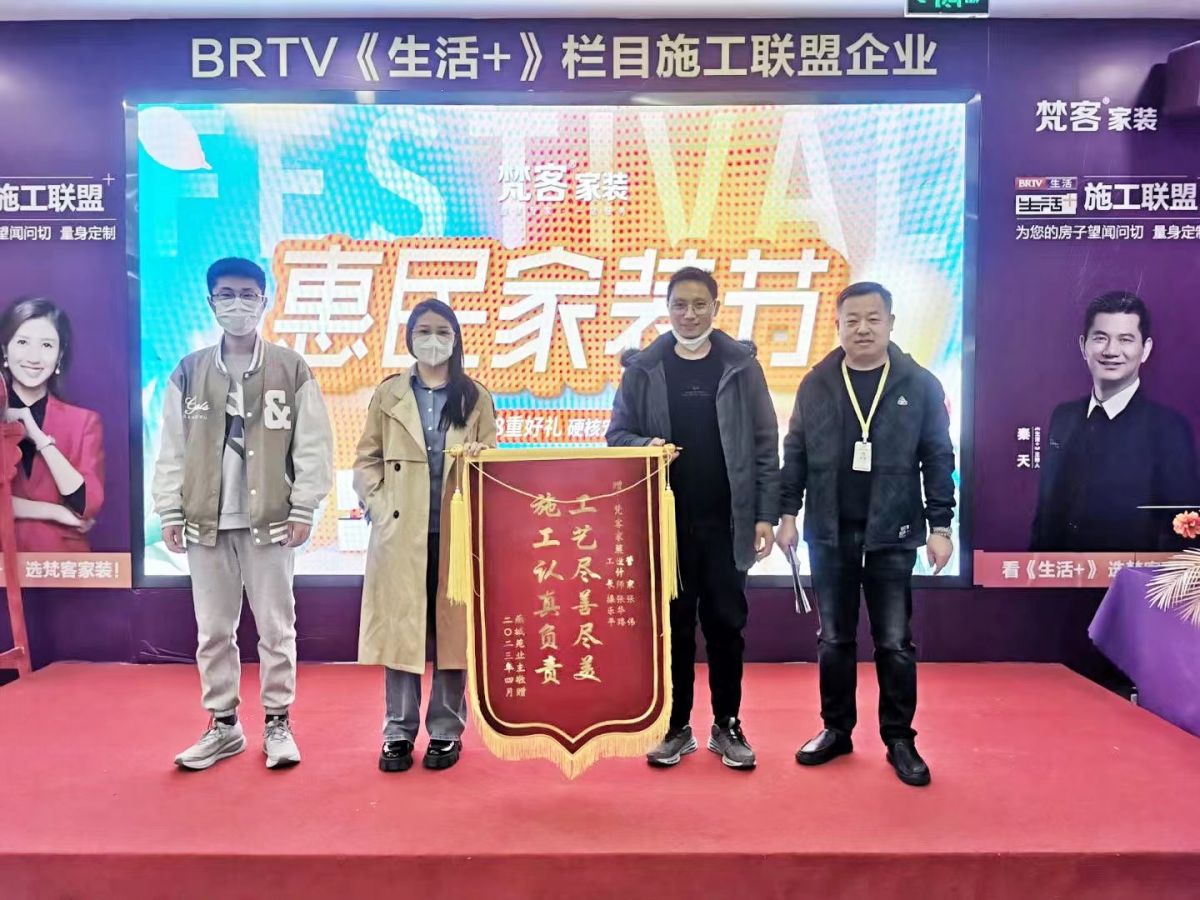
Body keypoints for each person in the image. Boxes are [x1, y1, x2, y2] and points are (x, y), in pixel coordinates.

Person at [152, 257, 333, 771]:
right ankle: (224, 725)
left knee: (276, 628)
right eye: (227, 295)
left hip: (270, 521)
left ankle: (278, 722)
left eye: (248, 294)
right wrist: (169, 510)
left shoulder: (290, 368)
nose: (238, 304)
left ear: (264, 300)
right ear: (211, 303)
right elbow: (172, 449)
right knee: (213, 631)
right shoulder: (188, 371)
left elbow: (314, 445)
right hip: (204, 524)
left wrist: (304, 506)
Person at [776, 281, 955, 787]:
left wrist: (941, 525)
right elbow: (796, 452)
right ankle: (837, 730)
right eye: (851, 320)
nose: (862, 329)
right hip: (829, 530)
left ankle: (899, 738)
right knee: (833, 637)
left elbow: (938, 457)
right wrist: (787, 514)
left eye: (873, 319)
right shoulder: (817, 383)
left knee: (894, 641)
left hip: (893, 530)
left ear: (891, 323)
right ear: (837, 325)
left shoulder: (919, 384)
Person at [607, 266, 779, 771]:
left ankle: (727, 724)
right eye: (679, 304)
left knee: (727, 625)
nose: (689, 314)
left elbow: (765, 444)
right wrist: (647, 444)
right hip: (665, 526)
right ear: (667, 309)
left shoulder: (741, 366)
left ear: (715, 308)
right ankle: (676, 726)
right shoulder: (643, 368)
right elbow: (617, 436)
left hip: (729, 522)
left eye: (699, 304)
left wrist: (764, 515)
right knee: (674, 628)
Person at [355, 299, 497, 773]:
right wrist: (380, 509)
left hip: (456, 533)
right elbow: (367, 459)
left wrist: (480, 458)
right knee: (403, 632)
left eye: (442, 331)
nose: (432, 340)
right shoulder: (389, 394)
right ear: (409, 337)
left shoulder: (474, 396)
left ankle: (445, 730)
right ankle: (398, 731)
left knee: (454, 636)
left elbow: (494, 463)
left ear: (455, 339)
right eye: (423, 331)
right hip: (403, 533)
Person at [1030, 291, 1200, 552]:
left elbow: (1185, 532)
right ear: (1083, 346)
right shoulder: (1063, 417)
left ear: (1145, 349)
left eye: (1125, 339)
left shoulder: (1168, 429)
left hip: (1131, 577)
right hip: (1057, 575)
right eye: (1100, 338)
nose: (1111, 351)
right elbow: (1044, 518)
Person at [0, 297, 104, 551]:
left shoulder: (83, 422)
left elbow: (86, 505)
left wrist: (40, 438)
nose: (34, 357)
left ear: (60, 355)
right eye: (22, 342)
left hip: (63, 563)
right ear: (4, 350)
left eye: (47, 345)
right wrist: (54, 511)